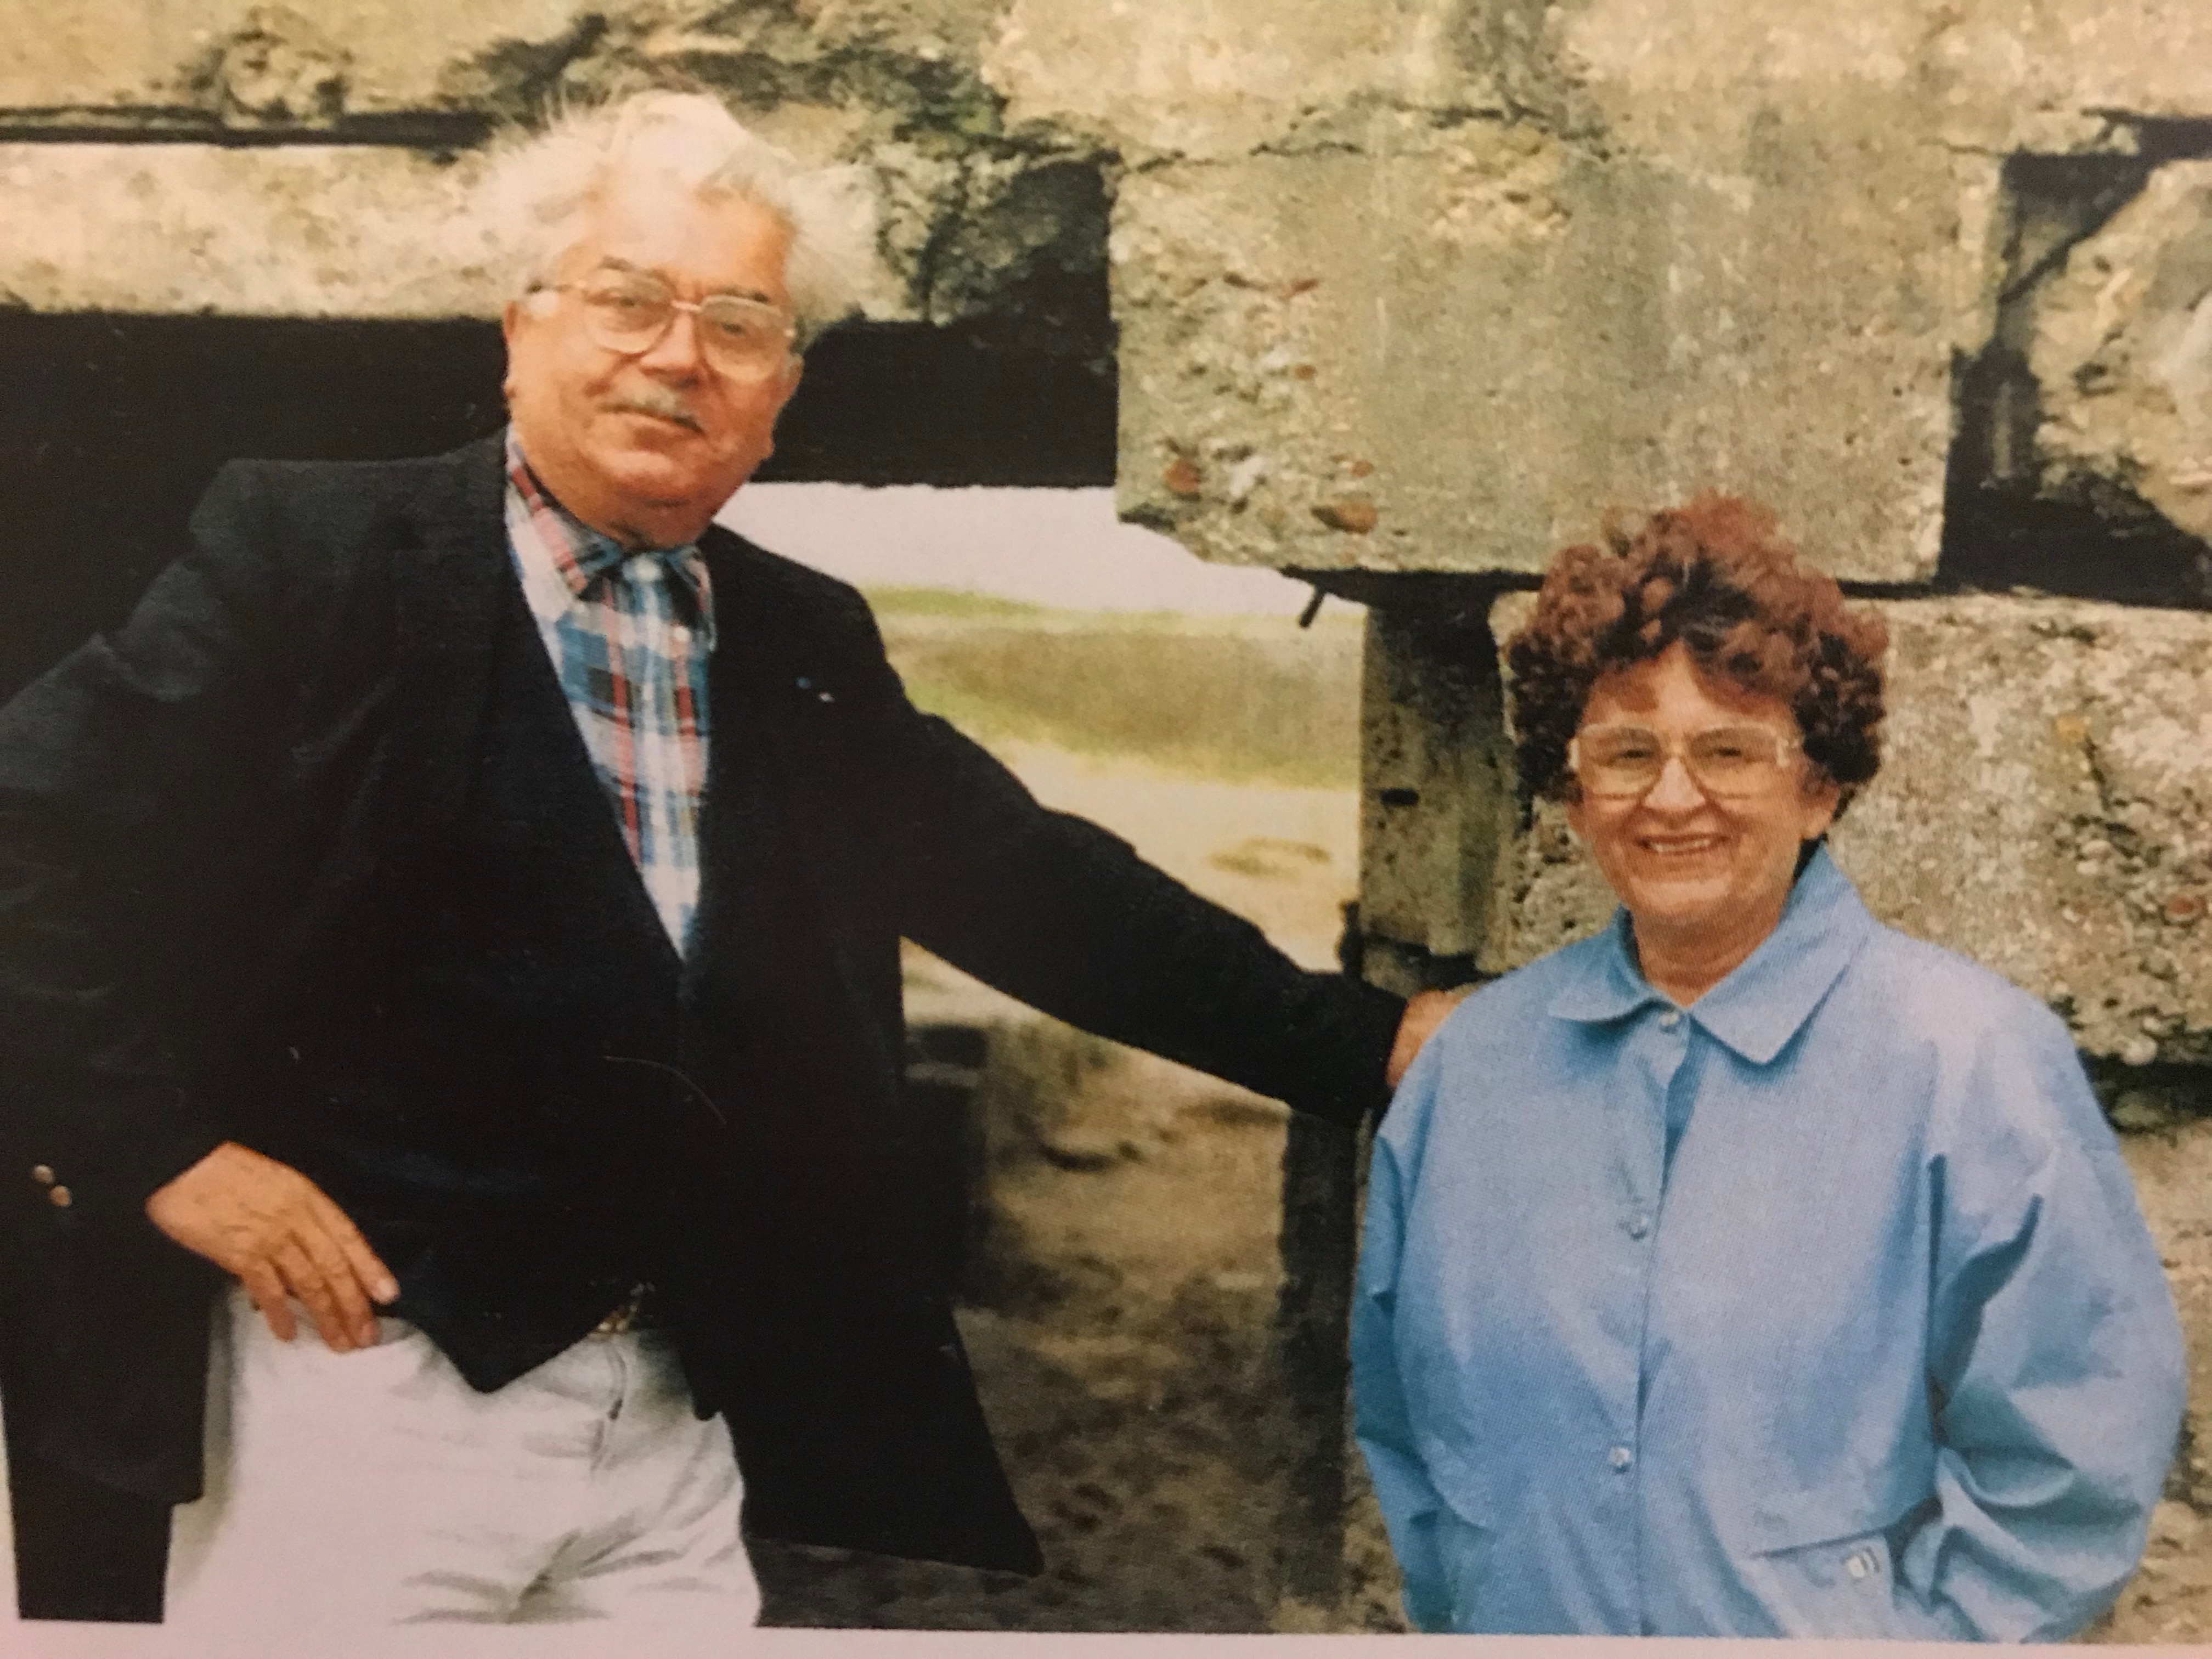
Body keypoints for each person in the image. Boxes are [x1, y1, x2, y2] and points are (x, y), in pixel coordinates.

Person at [0, 91, 1452, 1634]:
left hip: (673, 1430)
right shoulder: (319, 558)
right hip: (362, 1399)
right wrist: (160, 1151)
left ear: (781, 392)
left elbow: (1031, 885)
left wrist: (1370, 1046)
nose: (678, 355)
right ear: (521, 330)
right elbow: (26, 838)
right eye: (627, 299)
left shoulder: (798, 635)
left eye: (738, 323)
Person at [1351, 494, 2187, 1640]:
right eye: (1626, 752)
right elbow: (1409, 1434)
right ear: (1574, 789)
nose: (1672, 796)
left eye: (1730, 751)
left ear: (1819, 785)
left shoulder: (1970, 1065)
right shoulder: (1472, 1072)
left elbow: (2075, 1458)